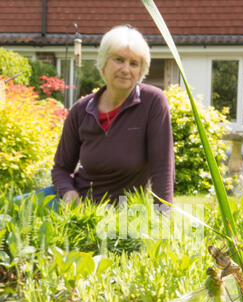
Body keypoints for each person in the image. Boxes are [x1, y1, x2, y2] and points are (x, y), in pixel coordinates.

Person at [52, 25, 175, 209]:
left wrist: (163, 225)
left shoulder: (153, 102)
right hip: (79, 207)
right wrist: (68, 192)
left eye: (134, 63)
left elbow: (163, 169)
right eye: (119, 60)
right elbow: (61, 169)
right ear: (103, 63)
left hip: (125, 213)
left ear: (141, 70)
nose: (126, 69)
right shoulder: (81, 110)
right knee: (9, 213)